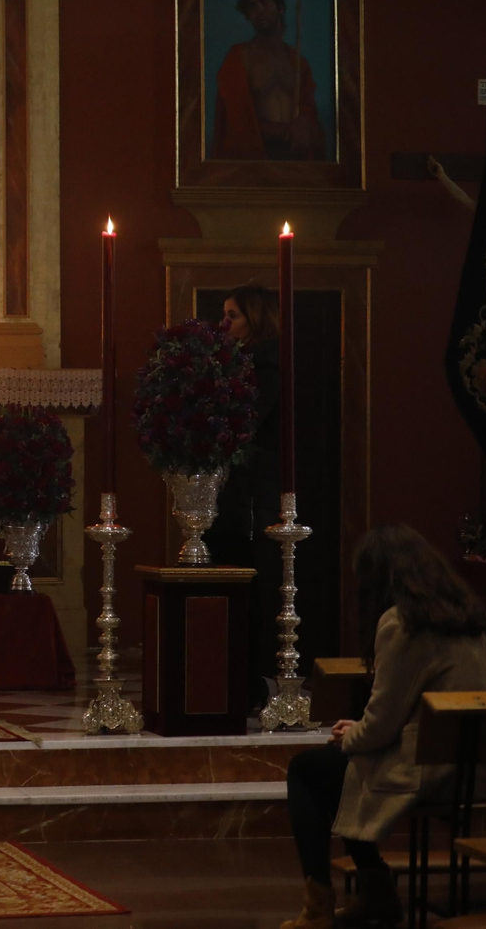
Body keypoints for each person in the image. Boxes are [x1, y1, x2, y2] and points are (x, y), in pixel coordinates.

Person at [280, 524, 486, 929]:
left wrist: (353, 734)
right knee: (345, 764)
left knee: (308, 771)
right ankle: (377, 895)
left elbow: (382, 725)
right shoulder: (464, 616)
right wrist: (359, 732)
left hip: (428, 771)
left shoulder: (403, 624)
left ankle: (319, 906)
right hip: (471, 769)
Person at [204, 284, 283, 709]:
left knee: (247, 585)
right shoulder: (237, 361)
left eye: (232, 315)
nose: (223, 323)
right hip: (234, 490)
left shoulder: (264, 363)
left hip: (252, 494)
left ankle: (248, 681)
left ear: (256, 319)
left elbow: (246, 424)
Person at [212, 0, 326, 161]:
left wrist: (304, 120)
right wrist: (286, 130)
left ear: (280, 8)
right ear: (247, 17)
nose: (258, 10)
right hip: (254, 158)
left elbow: (308, 107)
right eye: (252, 7)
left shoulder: (298, 62)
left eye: (264, 2)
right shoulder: (238, 58)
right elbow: (238, 118)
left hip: (295, 159)